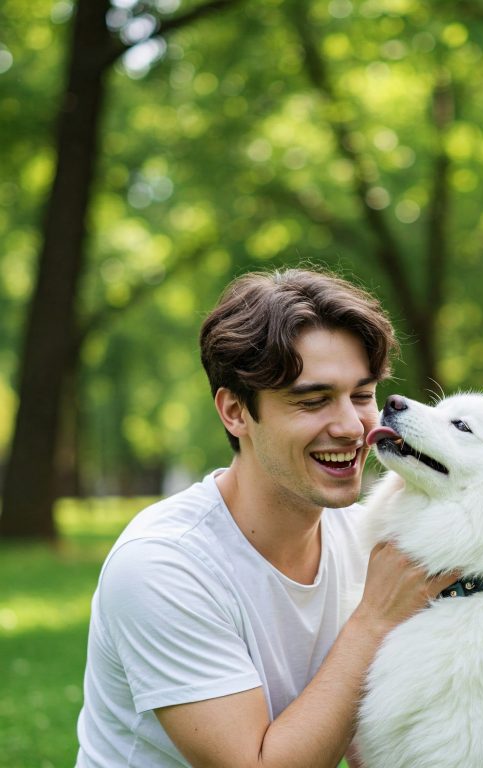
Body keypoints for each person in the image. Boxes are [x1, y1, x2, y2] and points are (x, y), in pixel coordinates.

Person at [75, 268, 457, 767]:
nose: (352, 426)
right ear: (235, 411)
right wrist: (375, 620)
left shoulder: (359, 538)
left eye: (362, 395)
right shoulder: (162, 566)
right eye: (314, 400)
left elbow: (374, 741)